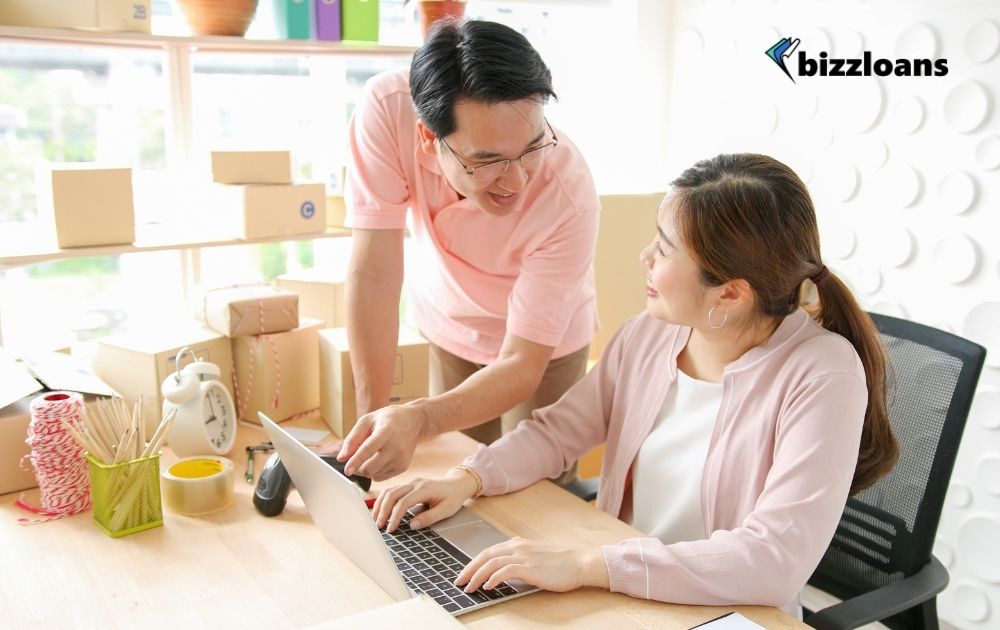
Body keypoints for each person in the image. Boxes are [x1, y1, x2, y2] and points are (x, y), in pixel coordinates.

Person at [370, 153, 900, 615]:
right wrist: (469, 478)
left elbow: (773, 562)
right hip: (619, 588)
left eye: (665, 249)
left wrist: (585, 564)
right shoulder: (651, 334)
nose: (645, 256)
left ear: (730, 295)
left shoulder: (823, 376)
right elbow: (557, 432)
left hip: (723, 612)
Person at [333, 19, 599, 483]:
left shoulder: (568, 194)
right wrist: (369, 426)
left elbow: (521, 363)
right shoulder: (386, 111)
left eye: (532, 147)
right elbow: (374, 272)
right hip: (451, 321)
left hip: (543, 347)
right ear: (428, 138)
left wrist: (421, 417)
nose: (517, 181)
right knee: (449, 482)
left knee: (531, 494)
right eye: (488, 160)